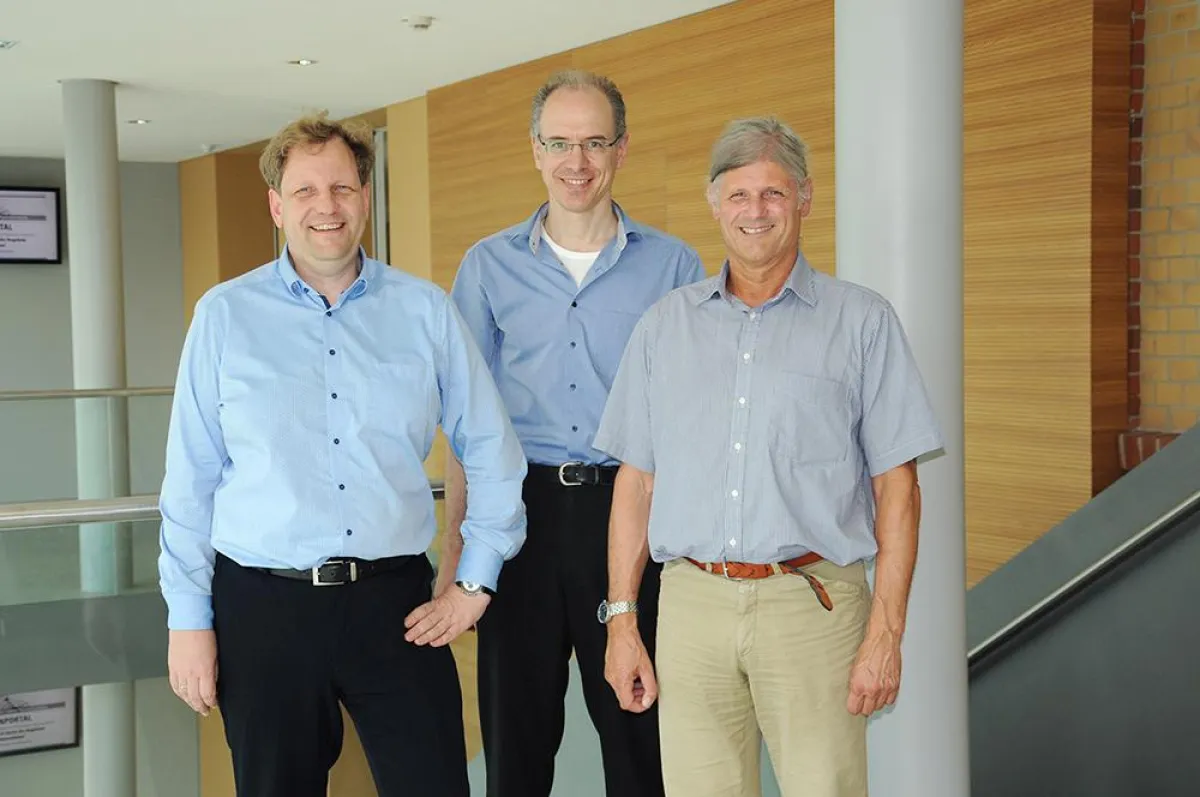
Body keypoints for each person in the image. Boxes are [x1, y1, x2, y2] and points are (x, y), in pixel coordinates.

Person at [157, 111, 528, 797]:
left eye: (342, 188)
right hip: (261, 607)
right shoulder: (223, 316)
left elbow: (492, 450)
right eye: (304, 191)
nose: (326, 207)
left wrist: (475, 580)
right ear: (276, 205)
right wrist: (188, 619)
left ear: (365, 197)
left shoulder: (424, 312)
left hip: (394, 604)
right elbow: (190, 482)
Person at [594, 116, 944, 797]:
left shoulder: (863, 321)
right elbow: (636, 484)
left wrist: (885, 633)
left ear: (805, 198)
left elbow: (897, 489)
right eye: (738, 194)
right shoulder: (665, 326)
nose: (755, 211)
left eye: (773, 194)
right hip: (692, 603)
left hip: (812, 605)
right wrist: (623, 619)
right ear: (713, 201)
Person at [434, 70, 705, 797]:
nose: (575, 161)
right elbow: (467, 426)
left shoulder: (674, 267)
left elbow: (690, 417)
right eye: (559, 142)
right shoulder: (487, 267)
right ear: (535, 149)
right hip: (518, 521)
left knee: (638, 742)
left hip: (630, 516)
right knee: (515, 749)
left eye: (593, 142)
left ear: (621, 149)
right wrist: (457, 546)